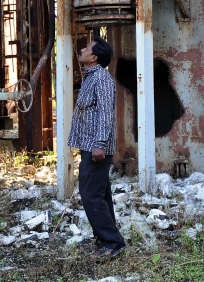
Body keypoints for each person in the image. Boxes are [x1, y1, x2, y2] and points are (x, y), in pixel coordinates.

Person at [67, 35, 126, 259]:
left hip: (96, 148)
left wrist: (99, 144)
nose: (82, 49)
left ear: (94, 57)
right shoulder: (91, 77)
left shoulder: (101, 78)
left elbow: (105, 114)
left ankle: (112, 242)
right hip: (90, 146)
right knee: (101, 195)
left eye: (87, 48)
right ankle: (108, 241)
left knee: (90, 194)